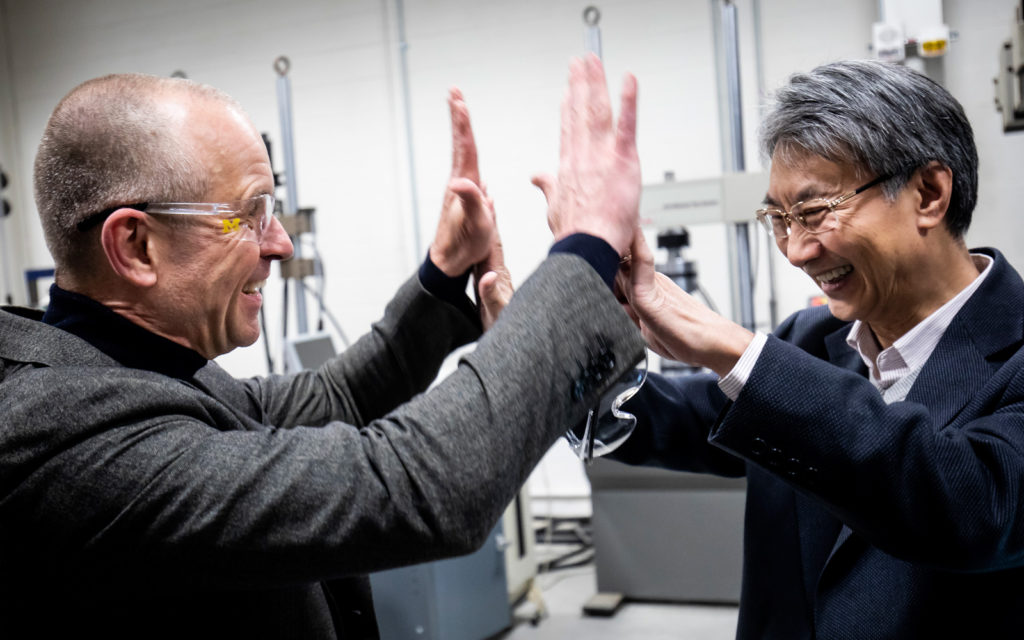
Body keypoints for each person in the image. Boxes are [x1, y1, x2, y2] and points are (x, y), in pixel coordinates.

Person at [0, 55, 644, 638]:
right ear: (136, 246)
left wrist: (444, 275)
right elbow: (418, 487)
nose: (279, 243)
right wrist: (585, 251)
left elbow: (337, 396)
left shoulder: (139, 369)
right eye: (250, 214)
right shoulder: (67, 436)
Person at [609, 59, 1024, 638]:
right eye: (779, 218)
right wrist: (557, 361)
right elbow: (688, 418)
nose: (797, 251)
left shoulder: (1016, 357)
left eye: (813, 212)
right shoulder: (812, 342)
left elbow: (972, 506)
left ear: (929, 194)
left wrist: (734, 350)